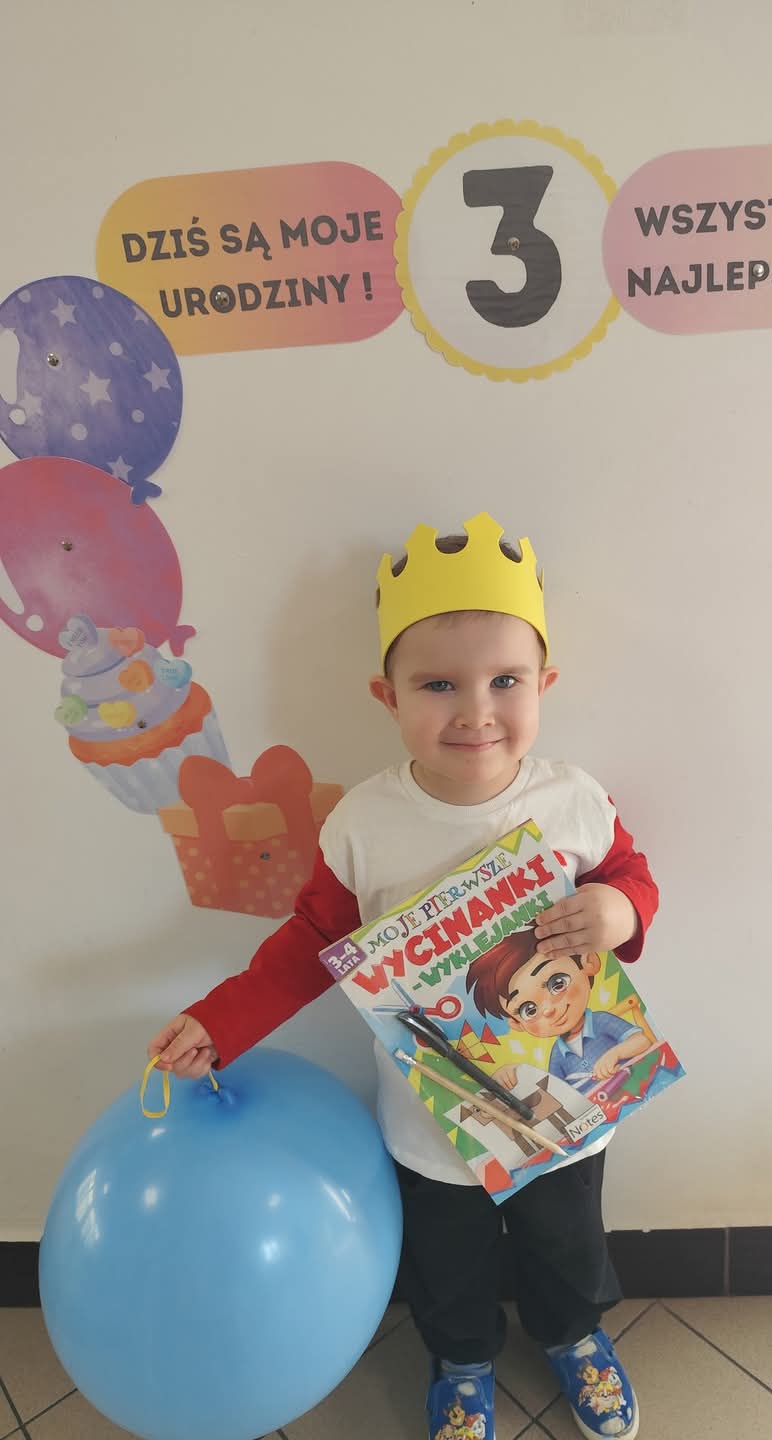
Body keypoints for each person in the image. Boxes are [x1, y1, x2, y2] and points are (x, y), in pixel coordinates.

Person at [148, 513, 659, 1440]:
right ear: (387, 697)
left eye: (505, 681)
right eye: (439, 684)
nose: (475, 711)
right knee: (447, 1260)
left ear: (544, 685)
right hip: (434, 1119)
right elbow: (312, 944)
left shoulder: (574, 799)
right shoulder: (363, 823)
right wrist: (221, 1024)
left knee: (567, 1240)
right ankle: (461, 1360)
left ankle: (573, 1335)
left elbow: (632, 876)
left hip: (564, 1097)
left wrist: (618, 913)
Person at [466, 928, 653, 1091]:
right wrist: (516, 1073)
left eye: (557, 983)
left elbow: (642, 1040)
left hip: (638, 1084)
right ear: (516, 1024)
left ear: (588, 963)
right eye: (529, 1010)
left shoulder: (600, 1021)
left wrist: (615, 1054)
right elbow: (555, 1092)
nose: (548, 1010)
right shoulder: (557, 1053)